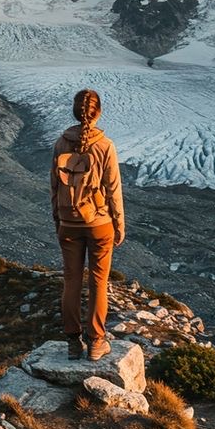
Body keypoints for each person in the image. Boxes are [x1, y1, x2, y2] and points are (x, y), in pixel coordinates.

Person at [50, 88, 125, 361]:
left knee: (70, 281)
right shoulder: (105, 146)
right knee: (98, 282)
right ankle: (96, 343)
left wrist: (58, 217)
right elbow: (113, 190)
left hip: (68, 221)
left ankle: (72, 343)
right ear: (98, 112)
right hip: (99, 223)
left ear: (75, 111)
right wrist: (119, 224)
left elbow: (54, 185)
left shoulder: (61, 143)